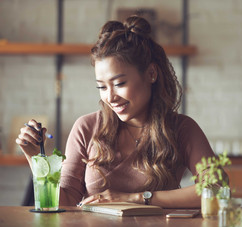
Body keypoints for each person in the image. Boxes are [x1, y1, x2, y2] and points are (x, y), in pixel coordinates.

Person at [16, 16, 224, 208]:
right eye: (102, 87)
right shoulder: (86, 128)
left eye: (119, 83)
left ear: (151, 73)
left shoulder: (181, 128)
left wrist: (136, 198)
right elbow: (66, 201)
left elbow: (217, 190)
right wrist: (34, 157)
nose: (110, 97)